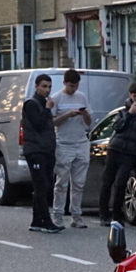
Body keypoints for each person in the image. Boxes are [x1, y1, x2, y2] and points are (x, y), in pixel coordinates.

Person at [99, 82, 136, 226]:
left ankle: (117, 216)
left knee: (121, 183)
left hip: (131, 153)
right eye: (135, 96)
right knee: (107, 181)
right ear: (130, 96)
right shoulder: (123, 111)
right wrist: (130, 114)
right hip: (115, 149)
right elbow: (117, 127)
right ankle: (104, 214)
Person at [49, 68, 92, 228]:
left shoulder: (82, 97)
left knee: (79, 183)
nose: (74, 89)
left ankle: (76, 215)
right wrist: (67, 115)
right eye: (71, 86)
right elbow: (52, 122)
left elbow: (88, 122)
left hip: (80, 142)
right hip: (63, 143)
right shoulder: (56, 98)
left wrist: (84, 114)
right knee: (62, 182)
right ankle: (58, 215)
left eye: (76, 86)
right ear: (64, 83)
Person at [22, 74, 63, 233]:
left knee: (45, 184)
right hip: (35, 150)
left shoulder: (43, 103)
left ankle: (37, 220)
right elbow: (38, 124)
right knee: (41, 185)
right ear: (36, 86)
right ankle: (46, 220)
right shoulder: (31, 104)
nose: (47, 90)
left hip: (46, 149)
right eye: (44, 86)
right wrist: (47, 109)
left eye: (49, 87)